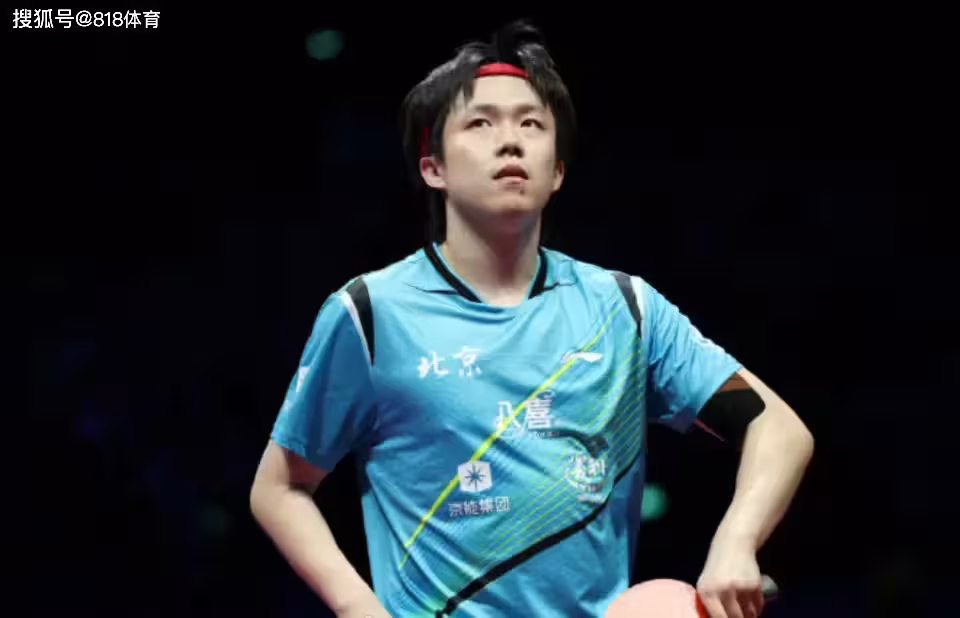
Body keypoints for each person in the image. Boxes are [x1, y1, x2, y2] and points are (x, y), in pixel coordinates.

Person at [250, 20, 814, 618]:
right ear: (433, 168)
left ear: (557, 172)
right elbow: (280, 487)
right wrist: (356, 608)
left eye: (531, 124)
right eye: (480, 123)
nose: (511, 141)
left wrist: (735, 542)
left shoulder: (625, 311)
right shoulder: (370, 315)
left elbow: (776, 428)